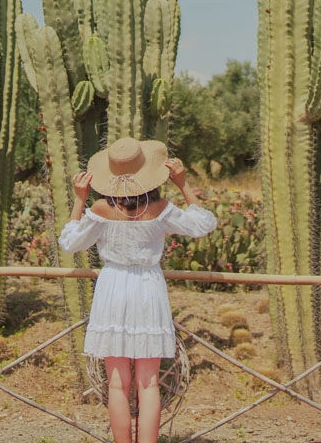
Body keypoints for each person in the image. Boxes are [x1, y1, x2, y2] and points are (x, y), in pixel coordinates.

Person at [59, 137, 217, 443]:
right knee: (149, 383)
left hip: (113, 288)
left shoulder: (101, 208)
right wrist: (184, 184)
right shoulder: (160, 208)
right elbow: (204, 223)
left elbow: (70, 242)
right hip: (148, 288)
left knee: (117, 384)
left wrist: (80, 199)